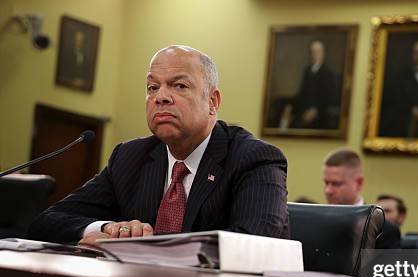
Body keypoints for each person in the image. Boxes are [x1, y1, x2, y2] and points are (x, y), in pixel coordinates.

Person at [29, 45, 289, 244]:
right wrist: (107, 228)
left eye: (179, 85)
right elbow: (46, 222)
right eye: (152, 87)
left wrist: (150, 249)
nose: (161, 97)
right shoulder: (130, 157)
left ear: (212, 102)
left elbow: (253, 244)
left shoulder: (254, 159)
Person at [322, 148, 400, 249]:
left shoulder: (384, 231)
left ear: (359, 183)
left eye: (336, 184)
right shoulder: (314, 224)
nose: (328, 190)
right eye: (326, 183)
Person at [280, 40, 339, 129]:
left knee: (299, 125)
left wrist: (315, 110)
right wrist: (290, 106)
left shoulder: (328, 73)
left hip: (319, 113)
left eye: (318, 52)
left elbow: (329, 97)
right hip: (304, 108)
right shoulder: (307, 70)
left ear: (323, 53)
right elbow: (302, 93)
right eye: (313, 52)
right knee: (284, 111)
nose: (315, 55)